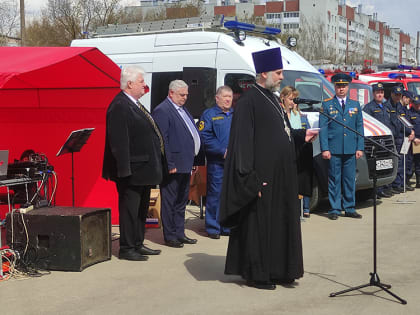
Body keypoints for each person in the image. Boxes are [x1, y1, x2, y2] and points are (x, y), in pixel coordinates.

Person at [219, 47, 318, 290]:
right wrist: (249, 179)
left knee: (281, 223)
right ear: (263, 73)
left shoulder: (272, 99)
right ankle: (258, 274)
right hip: (261, 179)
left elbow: (280, 133)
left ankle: (281, 269)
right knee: (259, 227)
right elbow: (241, 144)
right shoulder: (248, 102)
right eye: (278, 72)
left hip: (281, 178)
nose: (282, 77)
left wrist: (300, 136)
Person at [102, 65, 164, 261]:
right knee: (129, 211)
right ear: (129, 84)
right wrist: (124, 171)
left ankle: (137, 243)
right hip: (132, 171)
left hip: (144, 170)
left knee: (140, 211)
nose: (144, 86)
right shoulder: (120, 105)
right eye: (141, 82)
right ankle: (127, 248)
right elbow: (118, 142)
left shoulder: (135, 103)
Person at [152, 80, 201, 248]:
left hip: (186, 162)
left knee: (181, 200)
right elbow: (162, 139)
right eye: (182, 95)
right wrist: (169, 162)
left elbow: (190, 133)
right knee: (170, 200)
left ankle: (180, 232)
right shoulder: (163, 110)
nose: (185, 98)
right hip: (173, 164)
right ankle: (170, 235)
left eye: (186, 94)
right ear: (171, 93)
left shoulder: (182, 109)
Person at [319, 73, 364, 220]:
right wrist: (325, 148)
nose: (341, 89)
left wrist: (360, 147)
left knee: (349, 179)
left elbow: (359, 127)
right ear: (334, 87)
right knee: (334, 179)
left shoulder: (355, 105)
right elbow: (323, 128)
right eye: (338, 86)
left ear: (348, 87)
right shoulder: (327, 105)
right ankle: (335, 209)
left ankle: (350, 207)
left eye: (344, 86)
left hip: (351, 148)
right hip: (334, 148)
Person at [199, 85, 233, 239]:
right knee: (215, 194)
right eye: (225, 96)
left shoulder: (235, 114)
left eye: (230, 97)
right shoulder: (209, 115)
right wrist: (222, 151)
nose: (228, 99)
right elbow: (205, 137)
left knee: (229, 195)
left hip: (233, 163)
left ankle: (226, 226)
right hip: (217, 163)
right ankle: (213, 227)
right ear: (217, 98)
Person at [279, 86, 312, 218]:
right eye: (291, 99)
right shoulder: (279, 114)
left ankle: (304, 207)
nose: (293, 102)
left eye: (295, 100)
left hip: (299, 152)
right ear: (283, 98)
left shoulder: (300, 115)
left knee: (301, 179)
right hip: (285, 153)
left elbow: (307, 131)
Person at [362, 83, 395, 198]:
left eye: (381, 92)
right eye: (377, 92)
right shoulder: (369, 107)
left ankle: (385, 188)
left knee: (385, 164)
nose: (380, 94)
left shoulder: (386, 106)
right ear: (373, 93)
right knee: (376, 165)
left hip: (385, 140)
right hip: (375, 142)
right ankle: (376, 191)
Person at [405, 94, 420, 188]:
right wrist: (414, 139)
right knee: (411, 162)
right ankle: (406, 181)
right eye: (416, 104)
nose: (418, 106)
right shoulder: (409, 113)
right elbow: (407, 128)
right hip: (414, 142)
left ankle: (419, 181)